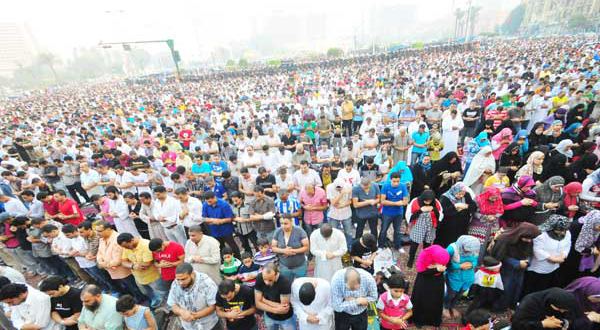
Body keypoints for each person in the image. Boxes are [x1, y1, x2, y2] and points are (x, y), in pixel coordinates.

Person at [490, 222, 541, 311]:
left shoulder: (528, 240)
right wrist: (516, 263)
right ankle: (497, 307)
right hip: (505, 269)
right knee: (504, 288)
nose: (529, 241)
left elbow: (528, 252)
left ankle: (510, 305)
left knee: (517, 288)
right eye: (527, 238)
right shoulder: (505, 239)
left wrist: (526, 261)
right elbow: (498, 257)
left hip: (520, 269)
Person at [95, 221, 147, 304]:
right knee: (126, 288)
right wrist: (101, 262)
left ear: (108, 229)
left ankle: (143, 302)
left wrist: (105, 264)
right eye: (96, 231)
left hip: (123, 271)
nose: (97, 233)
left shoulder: (117, 239)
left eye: (99, 231)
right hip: (112, 270)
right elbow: (99, 253)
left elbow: (118, 259)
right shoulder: (101, 239)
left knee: (134, 288)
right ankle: (133, 300)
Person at [523, 215, 571, 298]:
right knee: (533, 289)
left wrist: (563, 256)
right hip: (538, 266)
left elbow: (568, 244)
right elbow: (537, 249)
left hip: (554, 266)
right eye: (560, 230)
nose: (563, 233)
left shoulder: (567, 233)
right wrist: (550, 258)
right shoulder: (541, 233)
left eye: (564, 230)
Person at [168, 263, 221, 330]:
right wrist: (182, 312)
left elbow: (213, 306)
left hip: (208, 325)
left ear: (192, 274)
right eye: (178, 279)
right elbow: (172, 304)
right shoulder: (175, 284)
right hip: (188, 326)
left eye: (183, 279)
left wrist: (193, 316)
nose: (180, 283)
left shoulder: (207, 283)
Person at [117, 233, 163, 308]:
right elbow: (123, 262)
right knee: (146, 292)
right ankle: (156, 300)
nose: (126, 248)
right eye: (124, 247)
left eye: (127, 246)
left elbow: (146, 264)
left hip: (153, 276)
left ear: (132, 240)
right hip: (138, 277)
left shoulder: (145, 245)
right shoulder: (126, 247)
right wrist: (133, 265)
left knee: (161, 292)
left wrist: (130, 264)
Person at [410, 245, 449, 328]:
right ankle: (419, 320)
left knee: (435, 300)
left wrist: (439, 268)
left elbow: (446, 266)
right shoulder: (424, 255)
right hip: (424, 282)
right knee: (422, 301)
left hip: (438, 281)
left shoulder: (443, 255)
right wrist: (436, 269)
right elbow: (421, 271)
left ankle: (433, 320)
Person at [405, 190, 443, 267]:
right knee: (415, 243)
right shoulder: (415, 201)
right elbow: (409, 215)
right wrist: (421, 210)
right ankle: (411, 259)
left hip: (430, 225)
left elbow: (440, 215)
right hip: (418, 225)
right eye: (426, 201)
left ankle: (424, 259)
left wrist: (433, 209)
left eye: (430, 201)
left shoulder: (436, 202)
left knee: (427, 244)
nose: (427, 203)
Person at [254, 262, 296, 330]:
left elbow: (284, 308)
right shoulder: (259, 277)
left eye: (270, 280)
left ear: (276, 275)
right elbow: (257, 304)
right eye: (264, 279)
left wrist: (264, 300)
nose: (266, 282)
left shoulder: (285, 282)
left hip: (286, 319)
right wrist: (275, 310)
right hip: (269, 317)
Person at [511, 288, 578, 330]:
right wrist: (543, 324)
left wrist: (562, 322)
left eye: (565, 310)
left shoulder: (567, 303)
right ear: (550, 302)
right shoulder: (530, 302)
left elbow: (572, 318)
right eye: (560, 309)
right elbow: (517, 324)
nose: (562, 311)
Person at [468, 186, 504, 264]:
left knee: (488, 246)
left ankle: (483, 264)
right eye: (492, 197)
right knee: (477, 246)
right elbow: (473, 212)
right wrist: (485, 217)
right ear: (487, 194)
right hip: (478, 227)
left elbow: (501, 211)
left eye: (496, 198)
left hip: (492, 227)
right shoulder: (478, 199)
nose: (495, 199)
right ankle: (473, 264)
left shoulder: (498, 199)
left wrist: (495, 216)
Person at [435, 183, 477, 247]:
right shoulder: (445, 197)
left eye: (463, 194)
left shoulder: (466, 195)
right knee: (446, 245)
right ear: (454, 191)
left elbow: (473, 206)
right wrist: (455, 207)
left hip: (461, 226)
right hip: (448, 227)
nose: (461, 196)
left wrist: (466, 206)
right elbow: (443, 211)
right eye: (459, 194)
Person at [202, 191, 240, 259]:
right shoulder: (205, 204)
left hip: (226, 230)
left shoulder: (224, 204)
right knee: (219, 247)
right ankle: (224, 261)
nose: (208, 203)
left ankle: (238, 259)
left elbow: (230, 218)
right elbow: (204, 218)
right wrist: (213, 220)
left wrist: (220, 221)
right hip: (214, 231)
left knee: (232, 246)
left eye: (210, 201)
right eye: (207, 201)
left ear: (214, 198)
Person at [272, 215, 309, 281]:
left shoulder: (299, 231)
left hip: (300, 266)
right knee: (287, 286)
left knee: (302, 284)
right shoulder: (278, 231)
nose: (283, 226)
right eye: (281, 223)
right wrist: (284, 251)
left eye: (286, 223)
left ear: (291, 222)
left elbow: (306, 247)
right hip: (284, 267)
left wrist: (292, 251)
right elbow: (273, 247)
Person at [379, 172, 408, 250]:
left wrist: (391, 203)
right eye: (394, 181)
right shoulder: (385, 186)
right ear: (390, 180)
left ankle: (398, 246)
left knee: (397, 231)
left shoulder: (402, 186)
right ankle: (380, 246)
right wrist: (396, 203)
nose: (396, 183)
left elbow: (405, 201)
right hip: (387, 213)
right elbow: (383, 201)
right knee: (383, 230)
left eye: (398, 181)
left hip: (398, 213)